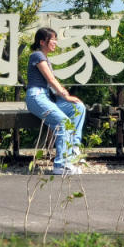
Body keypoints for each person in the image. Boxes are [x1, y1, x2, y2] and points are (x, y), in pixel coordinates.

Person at [25, 27, 86, 175]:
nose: (55, 43)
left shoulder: (46, 59)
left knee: (78, 107)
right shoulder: (37, 55)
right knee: (63, 122)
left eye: (55, 39)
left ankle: (73, 148)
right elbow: (51, 80)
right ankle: (61, 165)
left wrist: (66, 96)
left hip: (46, 96)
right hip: (36, 97)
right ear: (42, 42)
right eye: (52, 40)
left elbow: (53, 83)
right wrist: (65, 96)